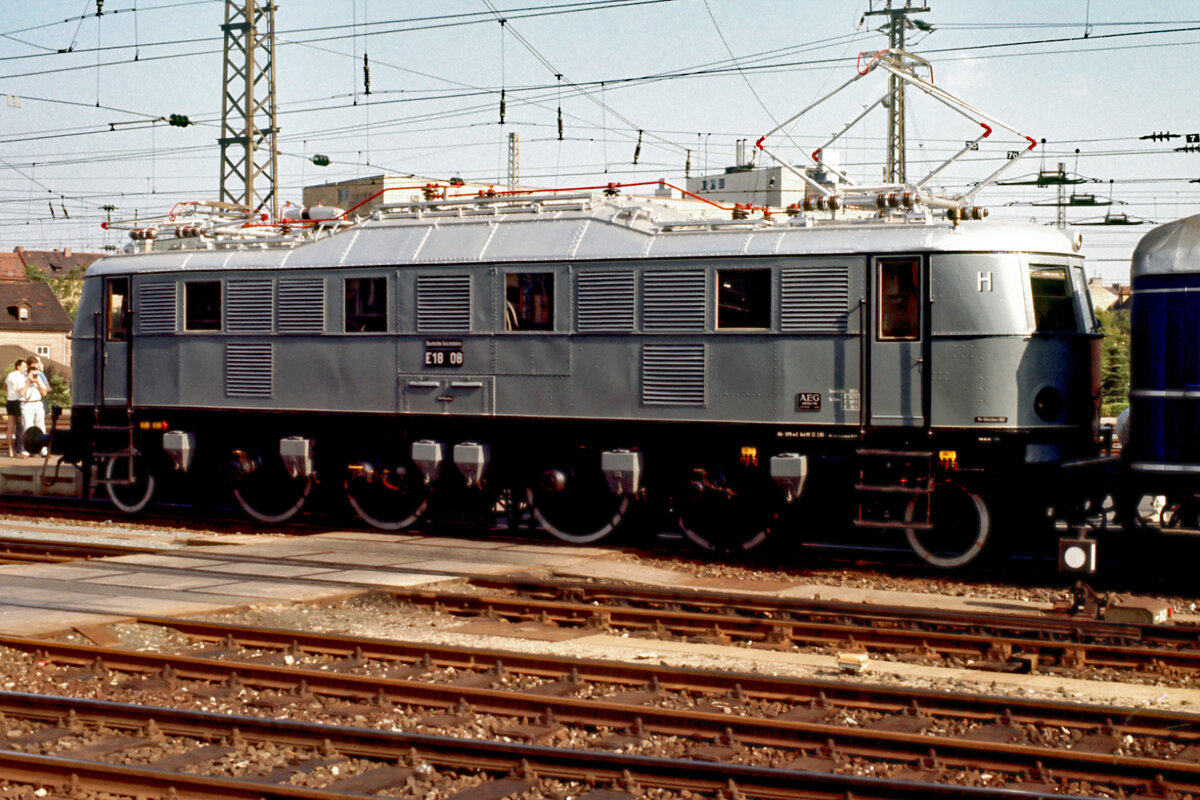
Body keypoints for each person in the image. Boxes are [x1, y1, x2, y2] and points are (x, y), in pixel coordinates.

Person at [22, 358, 50, 457]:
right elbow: (21, 392)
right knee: (27, 426)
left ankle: (43, 450)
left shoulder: (39, 378)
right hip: (27, 404)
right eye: (33, 373)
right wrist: (29, 381)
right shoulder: (23, 378)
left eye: (36, 373)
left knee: (41, 426)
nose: (35, 375)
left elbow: (44, 393)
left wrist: (37, 382)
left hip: (38, 403)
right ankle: (26, 450)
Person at [4, 359, 29, 458]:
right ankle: (23, 449)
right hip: (18, 402)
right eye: (24, 366)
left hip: (10, 401)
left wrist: (11, 392)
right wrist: (27, 384)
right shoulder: (20, 377)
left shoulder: (10, 375)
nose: (26, 368)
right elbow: (21, 391)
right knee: (23, 425)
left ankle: (10, 450)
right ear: (18, 366)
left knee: (10, 427)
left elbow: (4, 386)